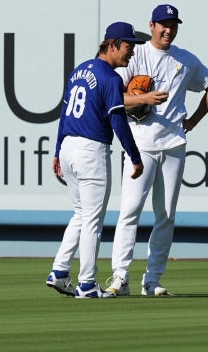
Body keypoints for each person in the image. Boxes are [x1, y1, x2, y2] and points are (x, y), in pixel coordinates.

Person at [105, 4, 208, 296]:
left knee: (166, 214)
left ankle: (152, 279)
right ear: (152, 25)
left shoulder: (186, 59)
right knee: (130, 210)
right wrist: (145, 97)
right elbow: (116, 96)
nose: (167, 29)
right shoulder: (137, 53)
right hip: (140, 143)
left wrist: (193, 121)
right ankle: (120, 276)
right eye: (162, 24)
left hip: (173, 144)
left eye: (173, 24)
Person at [46, 22, 145, 298]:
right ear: (111, 45)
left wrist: (57, 151)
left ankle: (60, 270)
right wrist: (134, 156)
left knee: (81, 214)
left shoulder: (79, 70)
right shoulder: (111, 79)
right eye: (128, 46)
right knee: (92, 220)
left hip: (68, 146)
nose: (132, 53)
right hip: (91, 150)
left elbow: (64, 114)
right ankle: (87, 283)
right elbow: (118, 120)